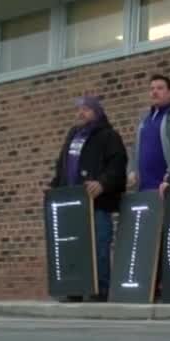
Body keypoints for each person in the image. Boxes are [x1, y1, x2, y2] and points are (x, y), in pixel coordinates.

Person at [49, 95, 127, 302]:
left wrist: (103, 183)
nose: (80, 113)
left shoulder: (109, 136)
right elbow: (62, 164)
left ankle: (99, 291)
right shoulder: (73, 134)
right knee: (74, 247)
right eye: (79, 109)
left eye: (86, 109)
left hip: (96, 202)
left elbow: (118, 166)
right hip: (71, 203)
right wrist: (54, 187)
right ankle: (74, 288)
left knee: (99, 246)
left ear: (97, 112)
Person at [128, 74, 170, 193]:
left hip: (169, 188)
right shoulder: (144, 119)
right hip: (144, 189)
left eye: (160, 88)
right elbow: (134, 149)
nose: (154, 92)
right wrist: (132, 170)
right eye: (152, 89)